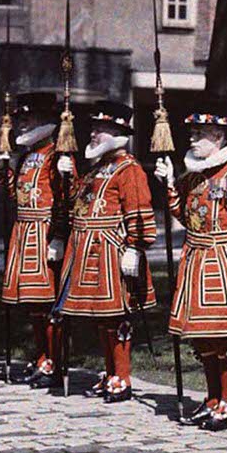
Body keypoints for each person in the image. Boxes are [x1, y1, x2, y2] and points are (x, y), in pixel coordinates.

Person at [154, 97, 227, 431]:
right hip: (195, 260)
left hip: (222, 262)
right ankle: (212, 398)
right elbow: (185, 216)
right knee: (202, 339)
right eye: (193, 131)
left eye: (200, 132)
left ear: (219, 135)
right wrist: (170, 184)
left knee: (224, 338)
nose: (192, 138)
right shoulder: (193, 176)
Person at [54, 100, 156, 403]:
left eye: (101, 129)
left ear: (118, 132)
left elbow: (139, 209)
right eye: (94, 128)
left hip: (112, 249)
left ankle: (122, 378)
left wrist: (135, 247)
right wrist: (67, 175)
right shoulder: (96, 168)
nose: (94, 134)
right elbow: (77, 204)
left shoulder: (129, 168)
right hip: (86, 250)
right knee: (102, 318)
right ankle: (110, 373)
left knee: (117, 316)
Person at [0, 91, 72, 389]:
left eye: (28, 119)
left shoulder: (57, 156)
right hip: (24, 233)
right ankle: (41, 356)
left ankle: (55, 360)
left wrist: (60, 236)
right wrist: (5, 169)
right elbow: (14, 195)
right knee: (34, 306)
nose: (22, 125)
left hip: (45, 233)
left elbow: (68, 199)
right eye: (20, 119)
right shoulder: (27, 156)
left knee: (50, 304)